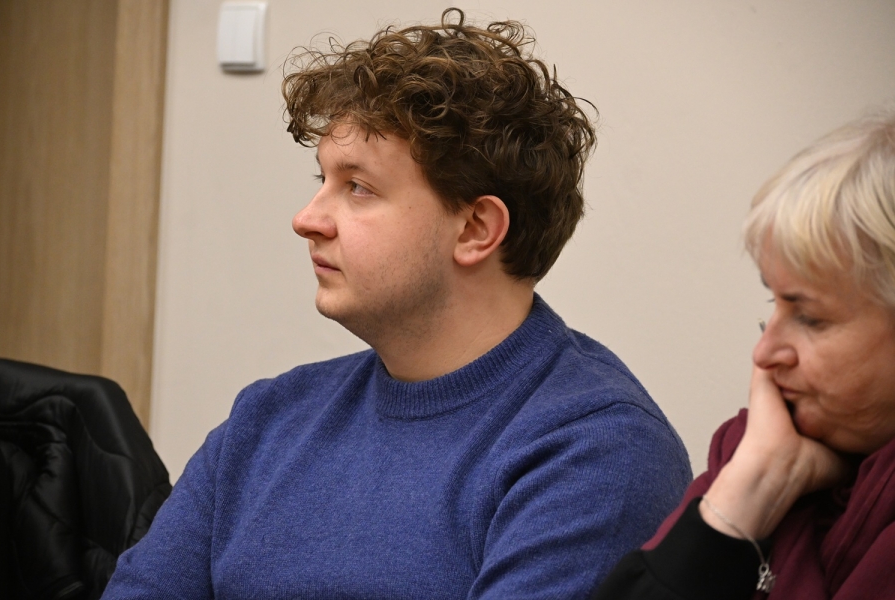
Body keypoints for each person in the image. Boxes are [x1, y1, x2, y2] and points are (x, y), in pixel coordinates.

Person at [102, 8, 691, 600]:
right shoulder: (265, 420)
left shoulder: (595, 450)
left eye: (358, 187)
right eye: (322, 181)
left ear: (475, 229)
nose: (307, 220)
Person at [594, 106, 895, 600]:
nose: (764, 352)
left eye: (809, 317)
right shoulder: (755, 447)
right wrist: (755, 487)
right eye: (773, 304)